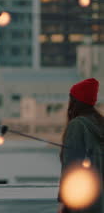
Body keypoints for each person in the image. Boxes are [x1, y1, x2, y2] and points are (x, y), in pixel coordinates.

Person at [58, 78, 104, 213]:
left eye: (72, 99)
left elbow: (71, 166)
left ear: (76, 102)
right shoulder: (100, 125)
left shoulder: (77, 125)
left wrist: (65, 202)